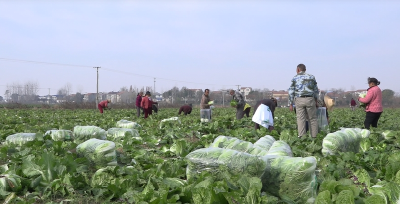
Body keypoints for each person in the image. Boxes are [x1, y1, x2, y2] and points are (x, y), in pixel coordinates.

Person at [288, 64, 319, 138]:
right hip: (310, 99)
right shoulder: (311, 77)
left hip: (299, 99)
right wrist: (316, 100)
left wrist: (290, 103)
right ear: (305, 69)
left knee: (300, 119)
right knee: (312, 119)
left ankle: (302, 138)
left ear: (298, 69)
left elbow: (291, 91)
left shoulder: (295, 78)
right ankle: (314, 137)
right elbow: (316, 90)